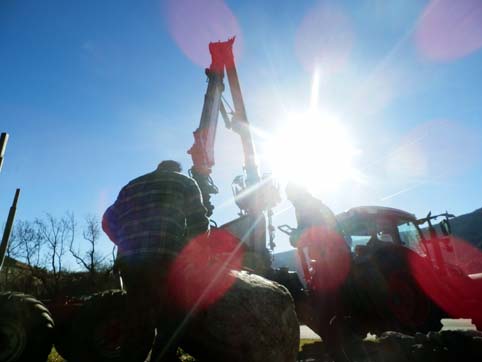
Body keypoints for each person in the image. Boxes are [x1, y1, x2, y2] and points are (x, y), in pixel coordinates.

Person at [102, 160, 209, 362]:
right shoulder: (184, 182)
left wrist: (124, 241)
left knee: (137, 321)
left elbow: (108, 220)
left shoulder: (131, 186)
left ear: (158, 167)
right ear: (176, 169)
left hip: (129, 263)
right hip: (164, 259)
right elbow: (199, 222)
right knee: (173, 317)